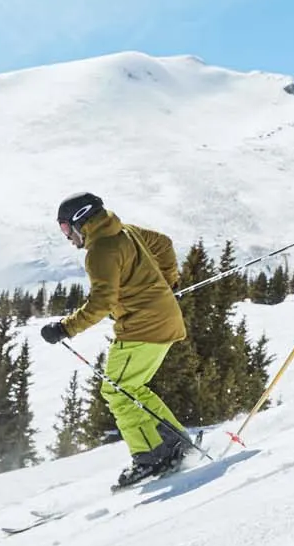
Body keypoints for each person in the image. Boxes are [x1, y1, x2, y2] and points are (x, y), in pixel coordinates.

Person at [38, 193, 191, 487]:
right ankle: (171, 442)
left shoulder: (100, 252)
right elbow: (164, 243)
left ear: (81, 220)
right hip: (164, 320)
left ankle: (153, 455)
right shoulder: (124, 231)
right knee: (129, 388)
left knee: (118, 391)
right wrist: (170, 282)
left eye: (66, 229)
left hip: (142, 328)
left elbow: (100, 303)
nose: (67, 238)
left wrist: (64, 328)